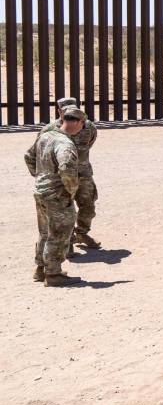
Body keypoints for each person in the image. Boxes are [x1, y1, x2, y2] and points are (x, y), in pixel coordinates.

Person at [25, 106, 86, 286]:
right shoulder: (65, 144)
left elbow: (28, 156)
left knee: (45, 231)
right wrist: (71, 190)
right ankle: (53, 274)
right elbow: (66, 168)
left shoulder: (46, 136)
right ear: (78, 122)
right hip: (57, 195)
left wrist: (41, 177)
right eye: (83, 124)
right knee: (60, 232)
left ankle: (40, 269)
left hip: (41, 192)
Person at [41, 97, 101, 252]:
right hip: (59, 178)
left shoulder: (88, 127)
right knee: (64, 212)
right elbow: (38, 154)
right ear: (59, 111)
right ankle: (67, 243)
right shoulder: (49, 130)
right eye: (65, 110)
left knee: (88, 207)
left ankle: (81, 233)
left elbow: (90, 143)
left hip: (83, 174)